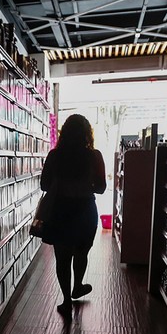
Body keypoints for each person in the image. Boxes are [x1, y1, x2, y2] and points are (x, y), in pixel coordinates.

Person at [40, 114, 107, 320]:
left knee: (62, 258)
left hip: (61, 210)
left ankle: (66, 300)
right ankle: (78, 285)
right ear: (87, 133)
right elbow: (102, 188)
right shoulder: (94, 156)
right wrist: (87, 185)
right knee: (81, 252)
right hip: (85, 210)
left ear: (64, 132)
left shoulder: (55, 156)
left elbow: (44, 185)